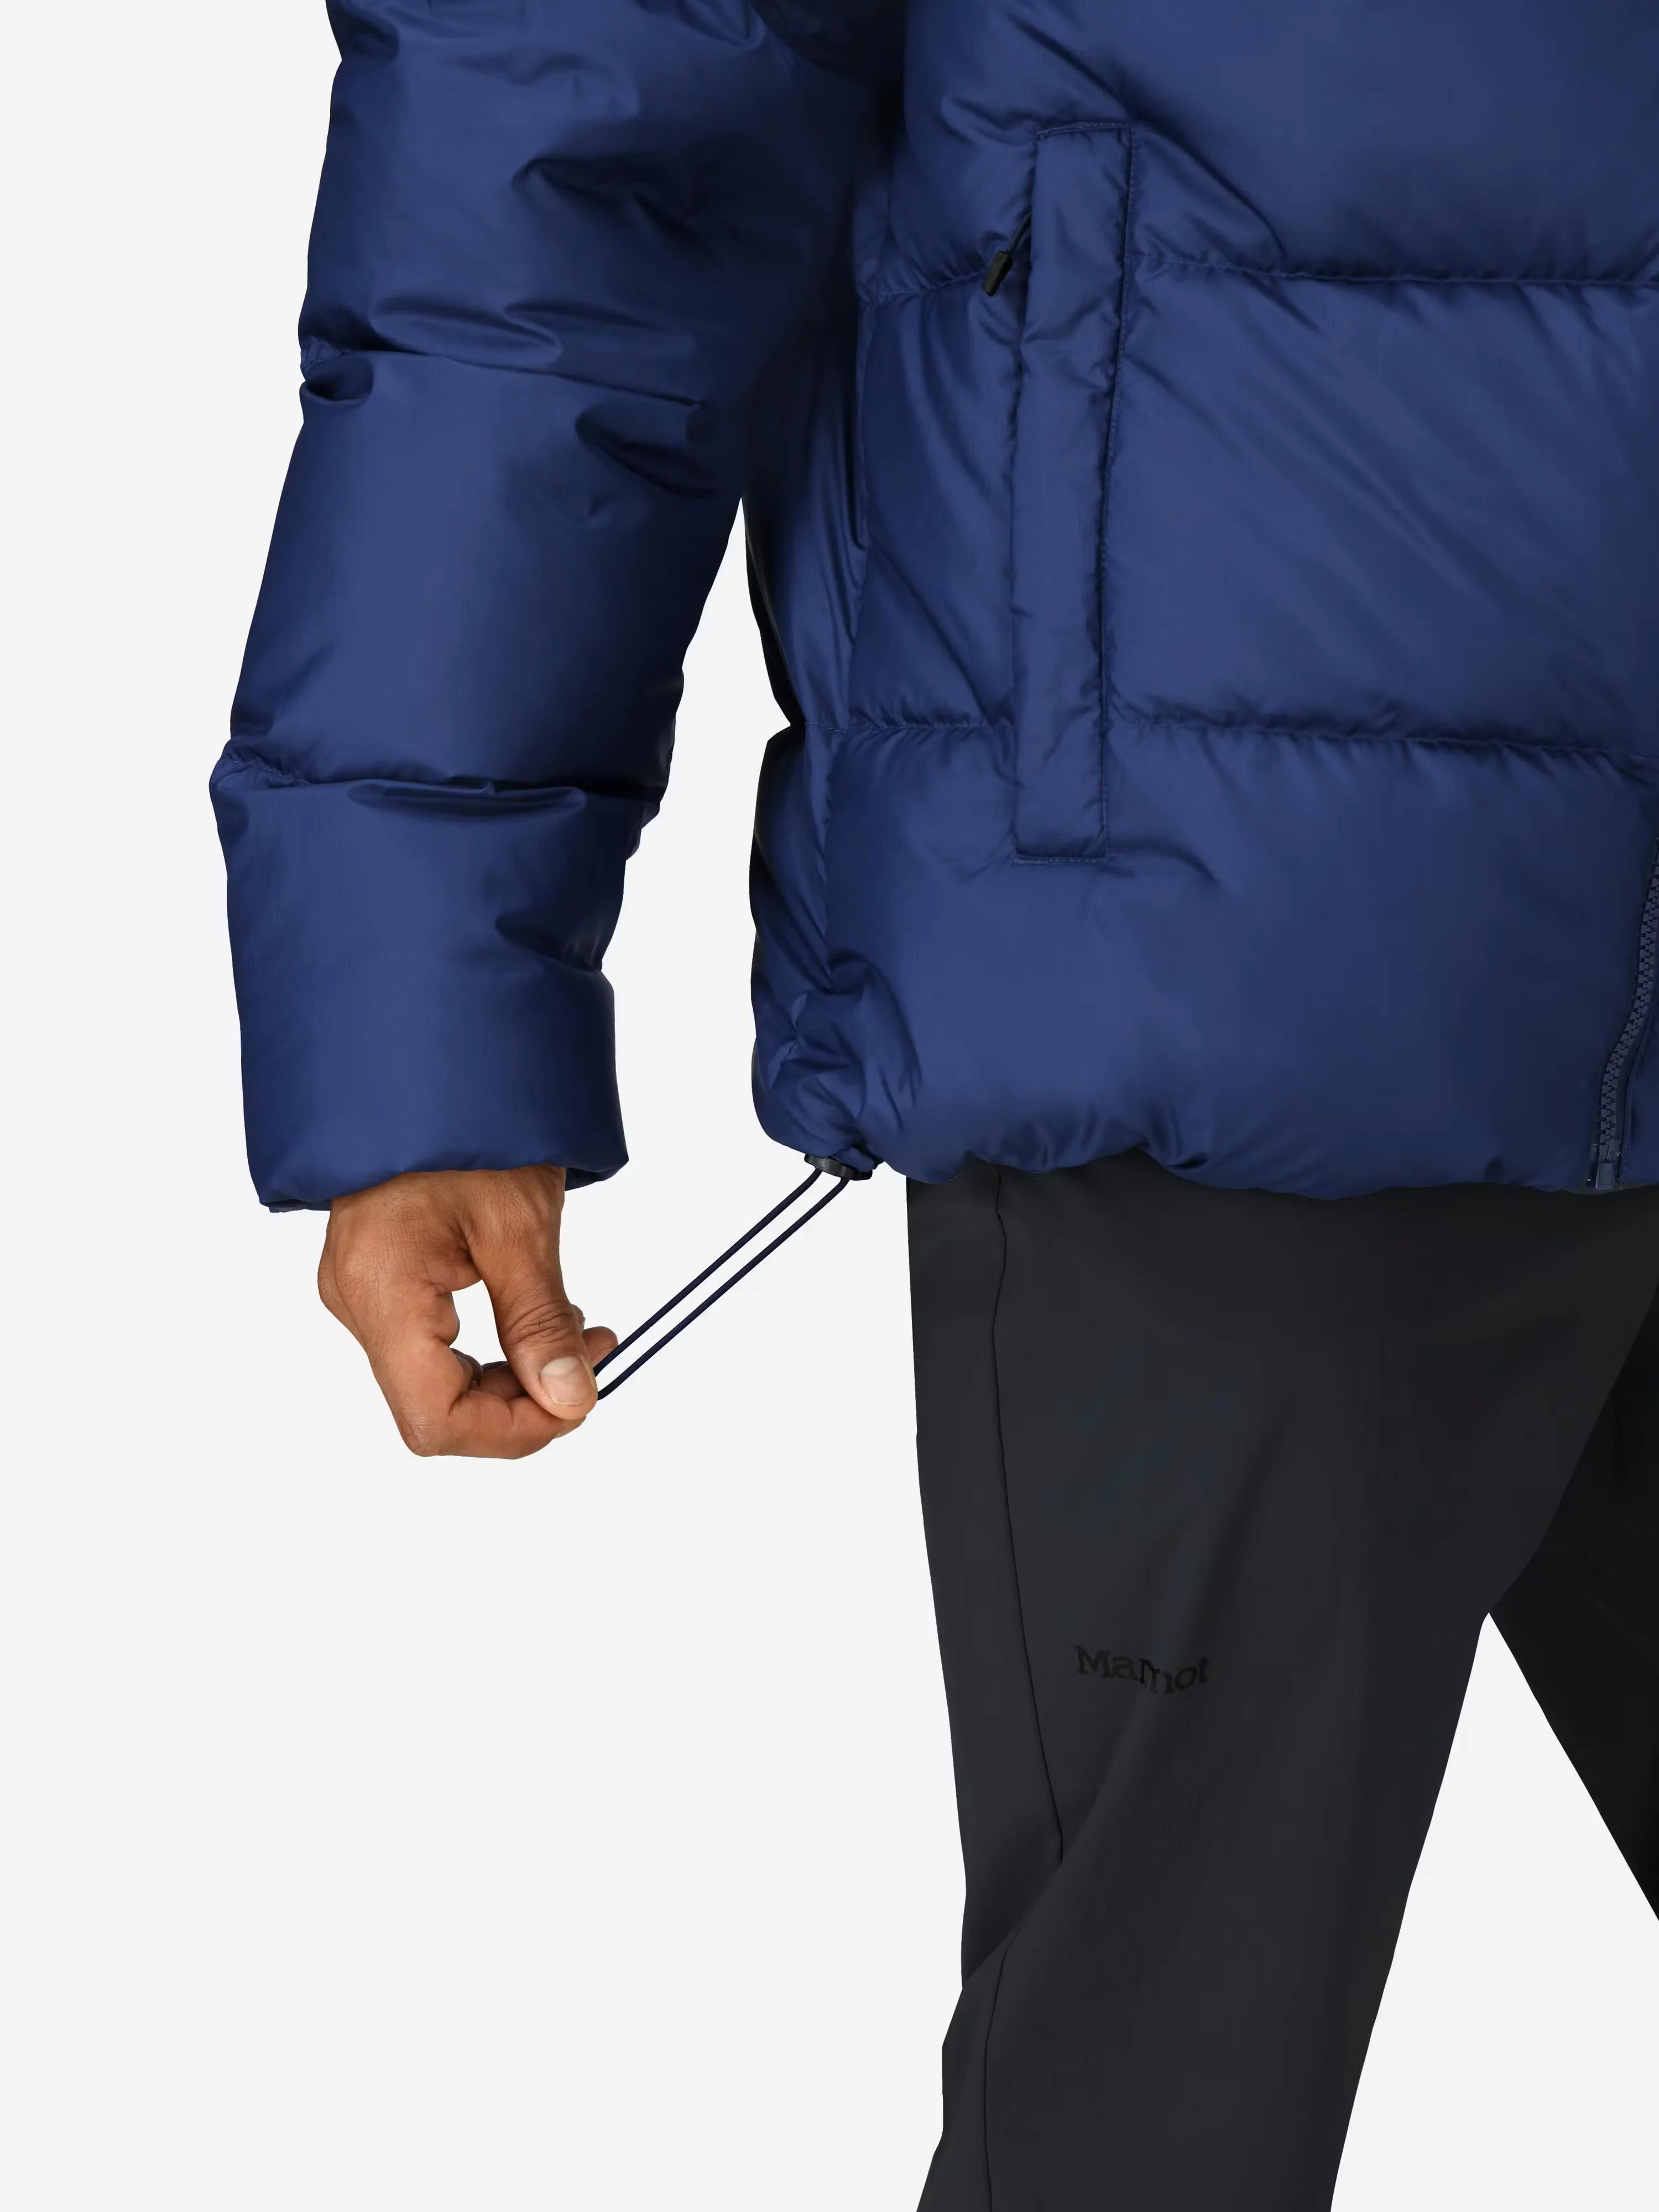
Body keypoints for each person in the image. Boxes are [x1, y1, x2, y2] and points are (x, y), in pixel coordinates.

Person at [213, 3, 1659, 2205]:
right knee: (1144, 2141)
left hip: (1243, 914)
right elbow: (573, 173)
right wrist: (428, 1003)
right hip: (1234, 966)